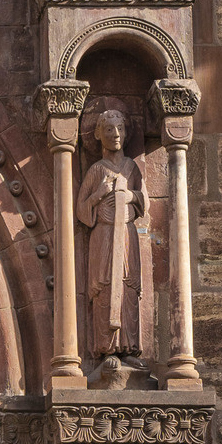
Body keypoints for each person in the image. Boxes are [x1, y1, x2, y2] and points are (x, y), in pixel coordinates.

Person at [76, 106, 148, 365]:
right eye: (109, 129)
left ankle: (128, 348)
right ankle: (107, 350)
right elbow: (81, 209)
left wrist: (131, 196)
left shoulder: (131, 168)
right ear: (99, 134)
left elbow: (144, 200)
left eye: (119, 129)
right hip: (104, 234)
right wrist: (100, 193)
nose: (115, 134)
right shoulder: (97, 170)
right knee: (104, 287)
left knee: (128, 287)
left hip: (127, 233)